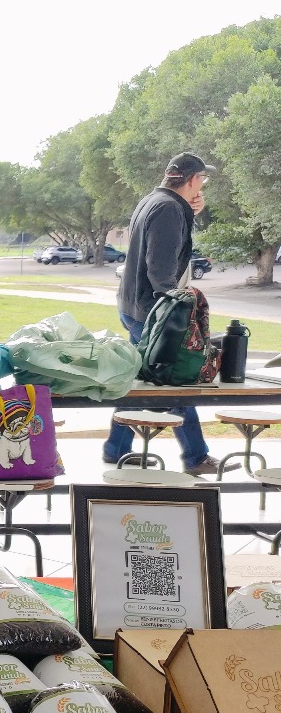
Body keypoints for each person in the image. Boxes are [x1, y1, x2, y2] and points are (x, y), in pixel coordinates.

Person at [103, 152, 239, 475]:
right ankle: (196, 457)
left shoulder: (156, 200)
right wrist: (178, 316)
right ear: (192, 180)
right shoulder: (167, 209)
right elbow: (160, 271)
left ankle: (116, 447)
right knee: (178, 380)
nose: (202, 187)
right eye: (201, 181)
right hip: (150, 311)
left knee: (141, 379)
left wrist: (189, 210)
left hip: (133, 305)